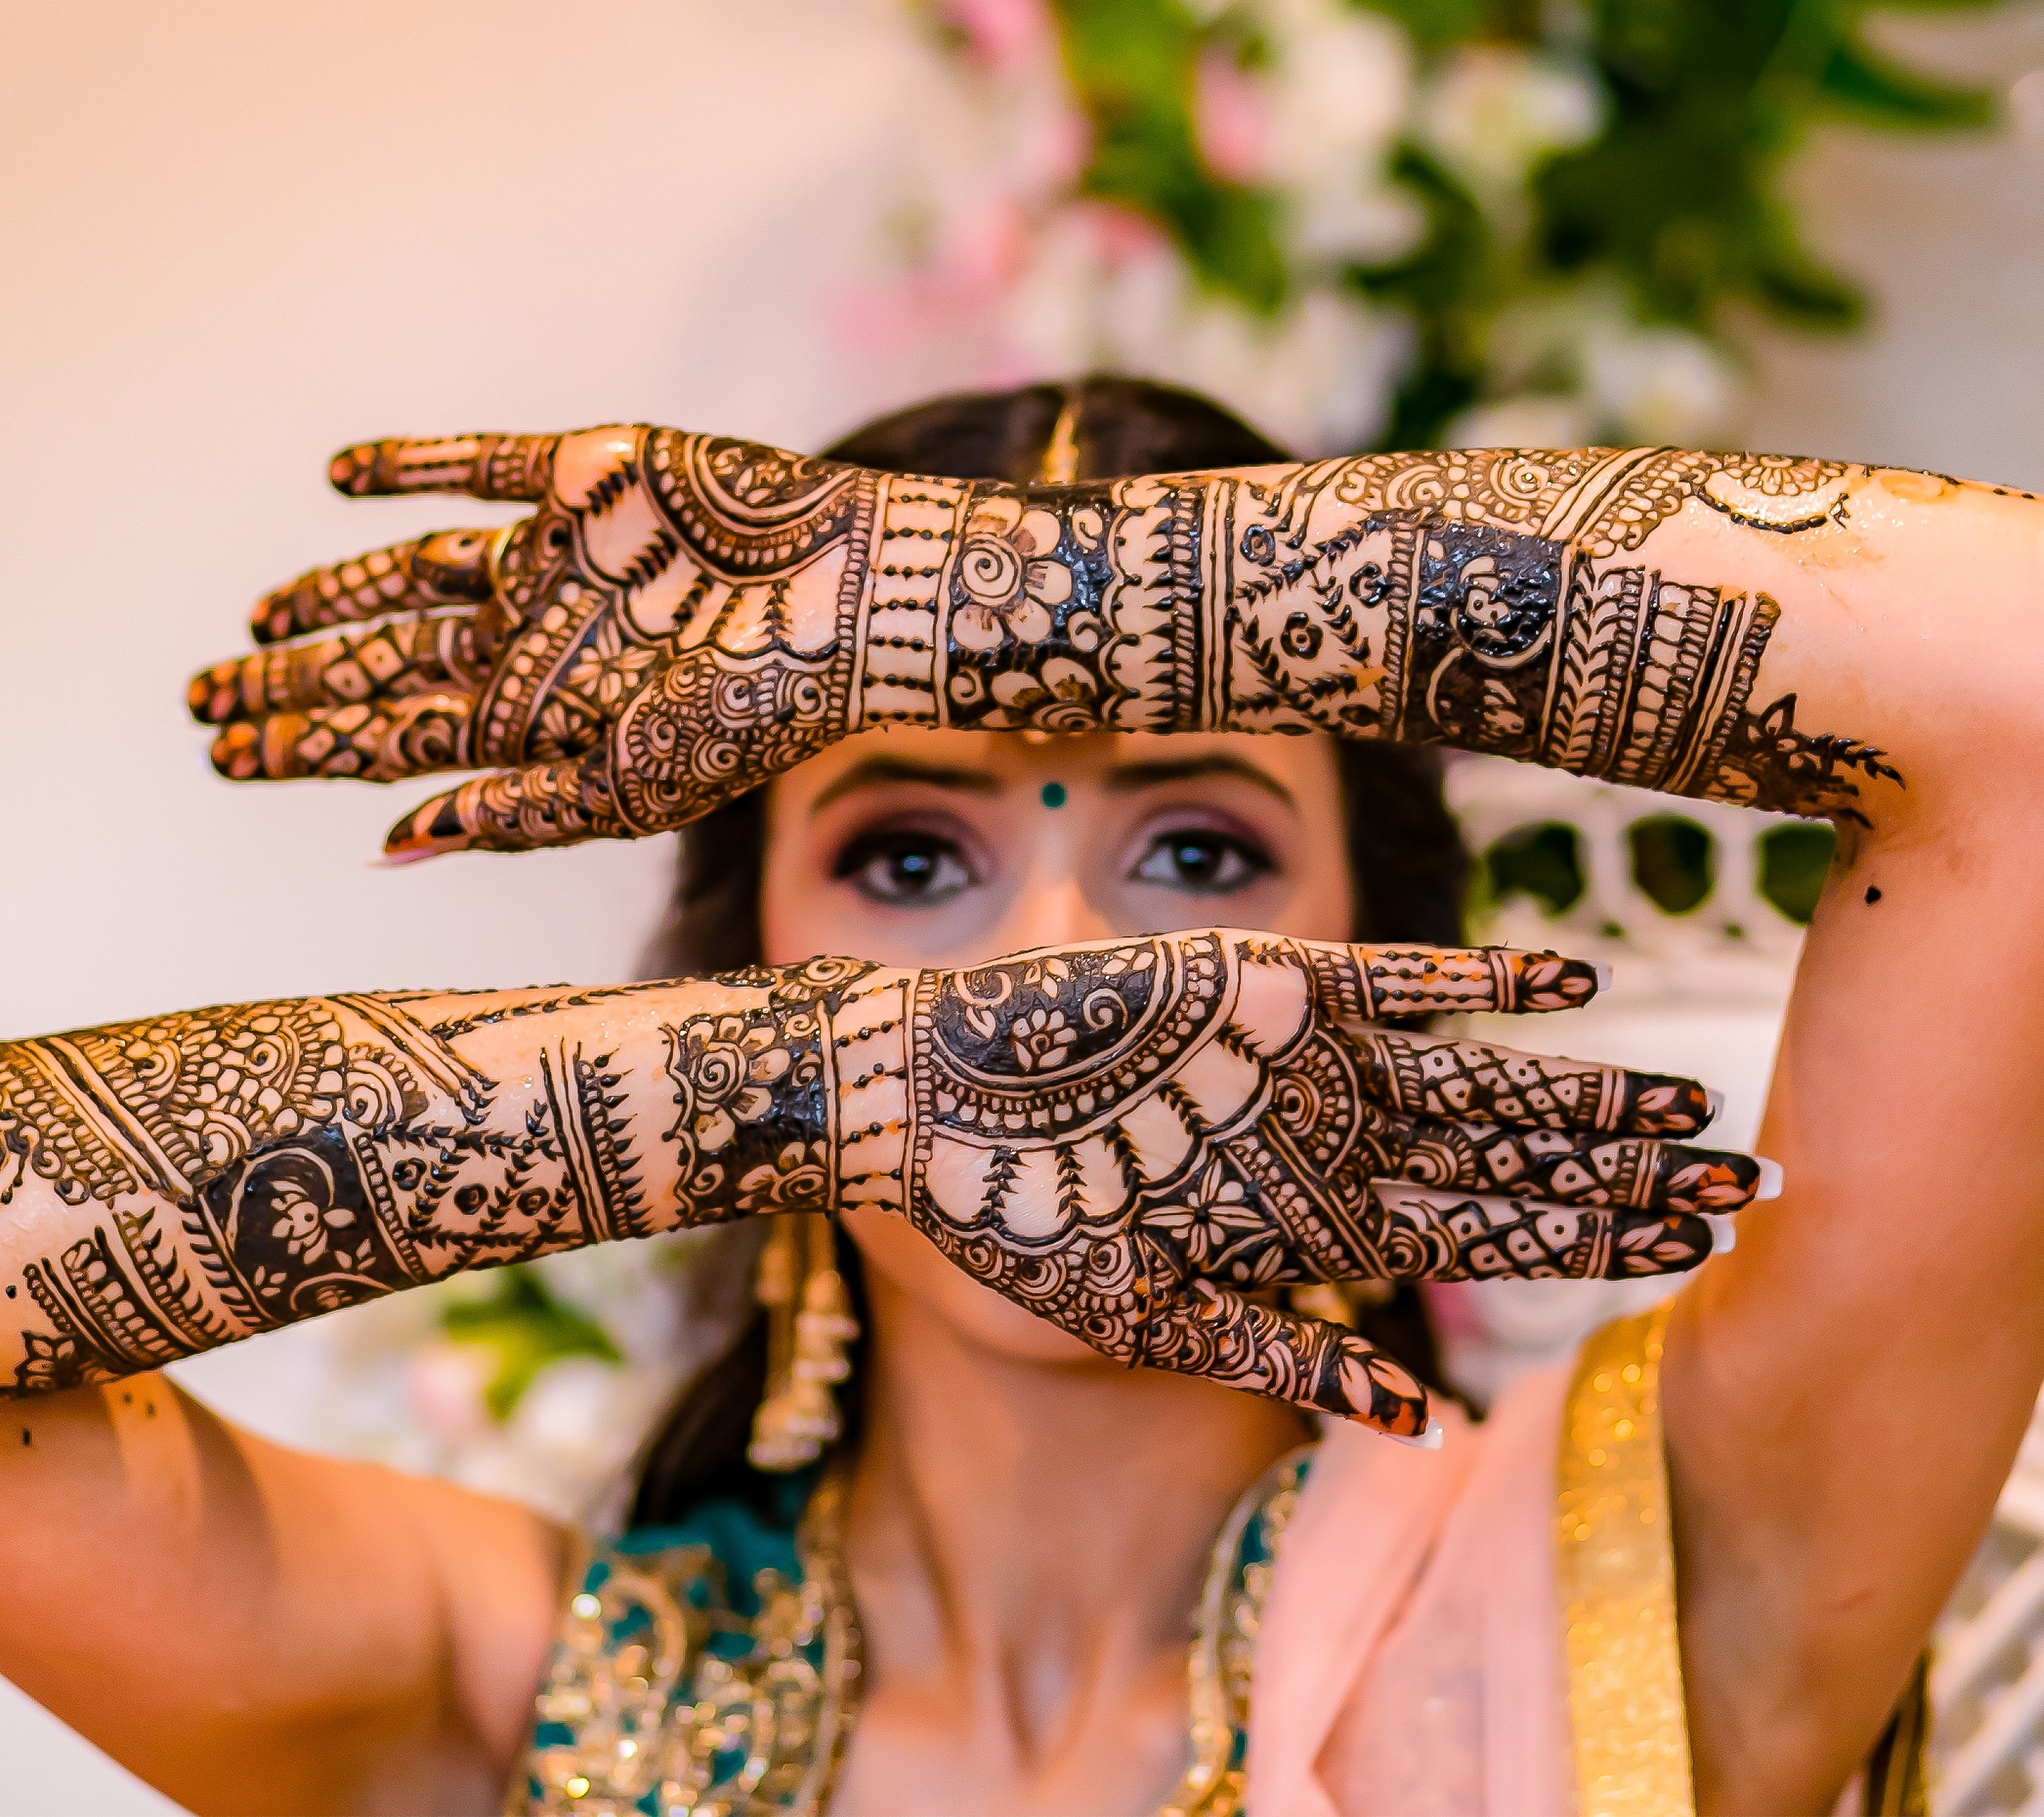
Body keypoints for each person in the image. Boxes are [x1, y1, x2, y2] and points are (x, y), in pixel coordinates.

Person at [2, 377, 2037, 1817]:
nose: (1046, 957)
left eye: (1198, 850)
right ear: (741, 978)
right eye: (904, 860)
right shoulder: (509, 1697)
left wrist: (955, 605)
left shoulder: (1654, 1575)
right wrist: (838, 1082)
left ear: (1392, 965)